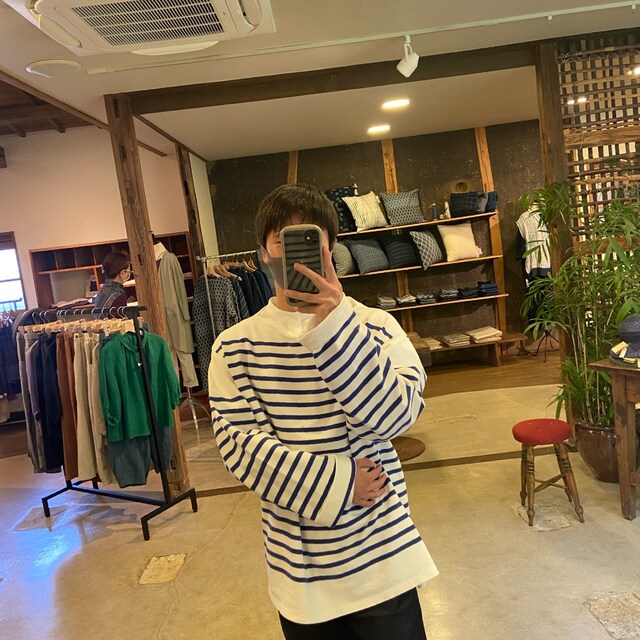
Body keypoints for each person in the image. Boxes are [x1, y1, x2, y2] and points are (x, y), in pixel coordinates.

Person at [208, 184, 438, 639]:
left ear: (331, 247)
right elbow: (240, 449)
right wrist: (340, 481)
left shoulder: (376, 325)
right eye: (282, 240)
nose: (296, 254)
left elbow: (397, 417)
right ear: (262, 253)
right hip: (301, 569)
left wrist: (335, 326)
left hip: (382, 555)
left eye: (310, 238)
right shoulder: (234, 347)